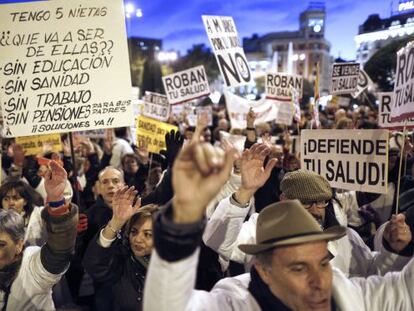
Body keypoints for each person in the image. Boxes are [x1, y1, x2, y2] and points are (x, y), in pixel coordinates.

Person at [144, 139, 414, 311]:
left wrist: (393, 250)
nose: (319, 281)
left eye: (322, 263)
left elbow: (400, 288)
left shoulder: (345, 288)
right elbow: (219, 243)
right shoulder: (238, 298)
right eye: (298, 268)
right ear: (263, 272)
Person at [203, 145, 412, 277]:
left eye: (321, 202)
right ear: (284, 200)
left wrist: (393, 250)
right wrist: (245, 191)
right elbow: (219, 242)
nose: (314, 210)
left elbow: (374, 276)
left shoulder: (346, 238)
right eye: (305, 203)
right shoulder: (261, 229)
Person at [0, 160, 78, 310]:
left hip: (45, 270)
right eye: (6, 198)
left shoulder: (31, 262)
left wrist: (56, 202)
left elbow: (59, 247)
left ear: (19, 245)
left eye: (1, 245)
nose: (10, 203)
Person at [83, 186, 157, 311]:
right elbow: (94, 265)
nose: (138, 239)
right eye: (134, 231)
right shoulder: (122, 259)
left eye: (147, 234)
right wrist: (116, 221)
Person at [0, 180, 46, 246]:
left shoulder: (38, 215)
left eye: (15, 198)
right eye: (6, 199)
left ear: (25, 201)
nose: (11, 203)